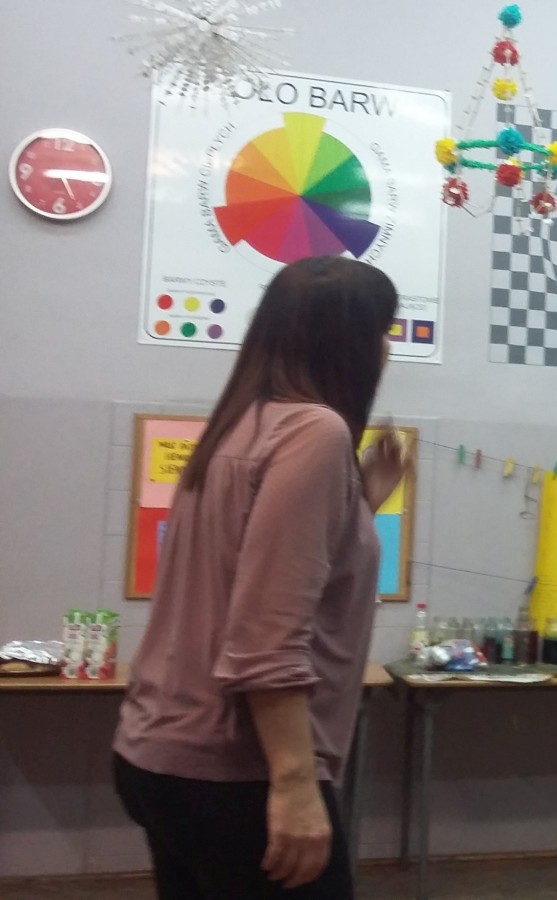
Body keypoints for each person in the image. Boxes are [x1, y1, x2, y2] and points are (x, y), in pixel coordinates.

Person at [111, 257, 404, 900]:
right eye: (384, 331)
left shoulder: (239, 424)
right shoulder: (316, 431)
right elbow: (266, 635)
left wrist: (361, 500)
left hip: (158, 756)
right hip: (239, 771)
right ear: (349, 341)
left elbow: (256, 569)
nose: (388, 348)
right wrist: (295, 784)